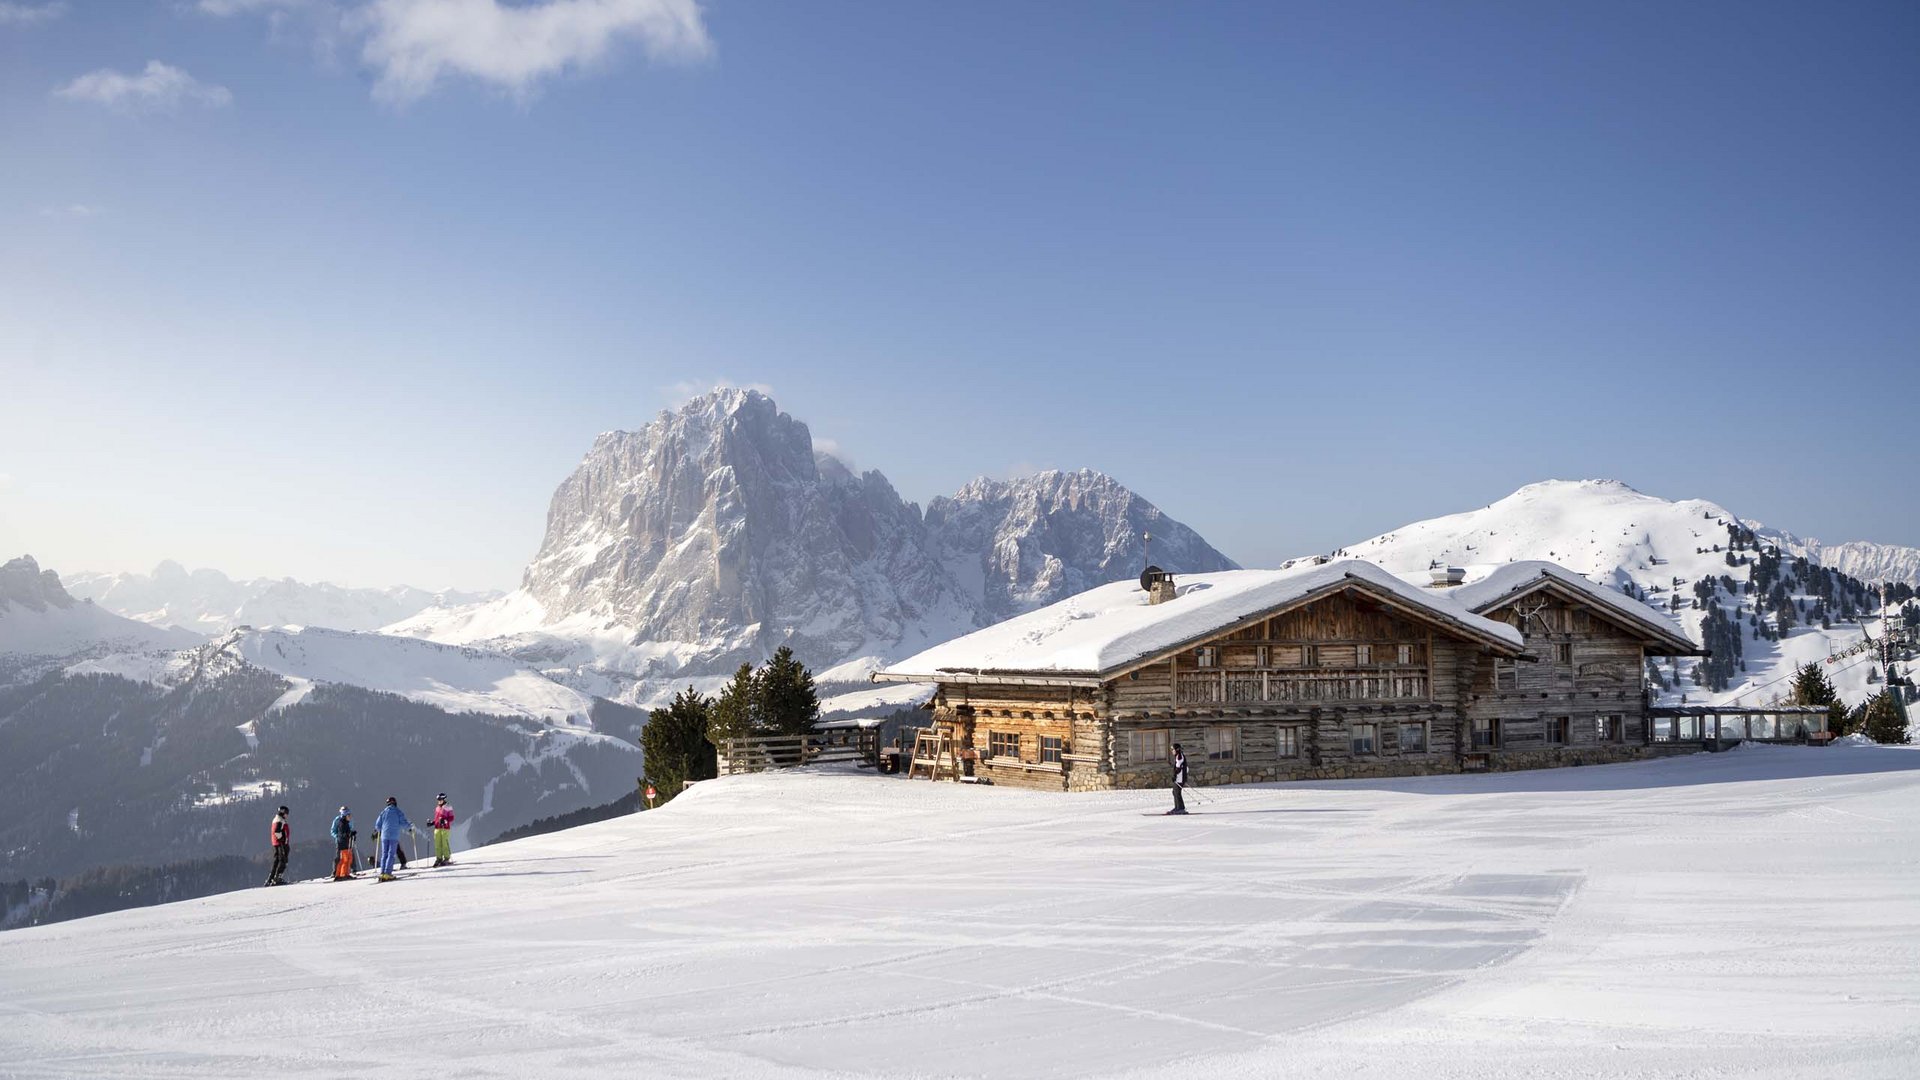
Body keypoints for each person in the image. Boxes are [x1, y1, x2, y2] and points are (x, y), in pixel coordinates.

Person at [371, 796, 413, 882]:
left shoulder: (383, 812)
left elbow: (378, 824)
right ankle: (387, 873)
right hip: (393, 836)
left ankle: (382, 872)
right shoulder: (398, 812)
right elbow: (403, 822)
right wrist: (410, 827)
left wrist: (377, 831)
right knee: (391, 854)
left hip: (384, 836)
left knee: (384, 854)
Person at [330, 806, 358, 881]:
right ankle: (338, 873)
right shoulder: (339, 821)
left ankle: (347, 872)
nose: (350, 816)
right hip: (342, 842)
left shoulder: (347, 821)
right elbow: (338, 832)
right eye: (348, 814)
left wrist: (351, 835)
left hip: (346, 841)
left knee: (349, 857)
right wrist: (339, 837)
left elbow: (348, 830)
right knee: (341, 858)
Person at [266, 806, 291, 885]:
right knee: (282, 860)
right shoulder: (280, 820)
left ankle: (271, 878)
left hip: (276, 843)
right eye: (286, 813)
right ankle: (277, 878)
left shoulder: (277, 819)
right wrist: (283, 840)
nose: (287, 815)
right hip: (280, 843)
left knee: (276, 861)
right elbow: (277, 832)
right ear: (283, 813)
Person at [430, 793, 455, 867]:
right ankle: (439, 858)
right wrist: (432, 822)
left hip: (445, 828)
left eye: (440, 800)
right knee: (437, 844)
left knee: (444, 843)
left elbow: (451, 818)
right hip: (437, 828)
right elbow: (437, 818)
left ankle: (446, 858)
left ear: (444, 799)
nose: (439, 801)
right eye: (438, 800)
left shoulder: (448, 806)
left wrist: (445, 821)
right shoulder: (437, 808)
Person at [1167, 744, 1189, 815]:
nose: (1172, 751)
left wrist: (1174, 776)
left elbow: (1178, 768)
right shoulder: (1178, 755)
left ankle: (1180, 808)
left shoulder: (1179, 756)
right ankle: (1178, 807)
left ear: (1177, 750)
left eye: (1173, 749)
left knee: (1177, 792)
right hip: (1179, 778)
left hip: (1180, 778)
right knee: (1175, 792)